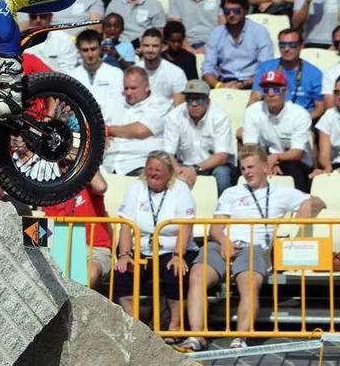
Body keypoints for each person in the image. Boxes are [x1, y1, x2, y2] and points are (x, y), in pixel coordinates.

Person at [177, 145, 325, 351]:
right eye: (243, 168)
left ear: (265, 167)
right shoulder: (231, 192)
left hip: (255, 247)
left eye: (251, 167)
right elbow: (216, 226)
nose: (246, 172)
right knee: (197, 276)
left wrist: (309, 203)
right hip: (223, 243)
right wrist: (224, 242)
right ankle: (196, 336)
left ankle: (240, 337)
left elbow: (320, 201)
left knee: (248, 283)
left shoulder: (283, 192)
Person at [114, 151, 197, 329]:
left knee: (175, 273)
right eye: (149, 169)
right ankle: (136, 327)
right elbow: (126, 224)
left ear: (169, 172)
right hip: (142, 248)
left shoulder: (180, 189)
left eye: (158, 169)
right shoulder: (136, 188)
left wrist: (178, 255)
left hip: (172, 248)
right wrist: (124, 254)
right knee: (122, 275)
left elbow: (186, 226)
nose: (153, 173)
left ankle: (175, 325)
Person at [242, 70, 314, 191]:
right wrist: (267, 162)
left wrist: (275, 158)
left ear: (284, 91)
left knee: (292, 168)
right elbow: (250, 147)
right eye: (266, 90)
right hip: (264, 158)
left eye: (276, 89)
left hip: (295, 161)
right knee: (246, 167)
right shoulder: (252, 112)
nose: (271, 94)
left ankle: (301, 203)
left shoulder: (300, 114)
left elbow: (297, 153)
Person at [164, 79, 236, 194]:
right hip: (184, 165)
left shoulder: (220, 116)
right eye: (190, 99)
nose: (194, 104)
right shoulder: (174, 116)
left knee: (222, 173)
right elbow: (168, 152)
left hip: (214, 166)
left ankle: (224, 208)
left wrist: (195, 169)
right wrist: (177, 170)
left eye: (198, 99)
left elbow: (221, 156)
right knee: (165, 171)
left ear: (208, 100)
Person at [43, 173, 112, 288]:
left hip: (95, 250)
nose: (65, 165)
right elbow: (48, 231)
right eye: (61, 162)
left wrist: (83, 161)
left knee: (90, 273)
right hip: (65, 250)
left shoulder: (87, 183)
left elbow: (101, 187)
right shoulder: (52, 193)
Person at [102, 67, 172, 175]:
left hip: (139, 165)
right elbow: (96, 126)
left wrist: (108, 130)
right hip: (107, 166)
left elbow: (140, 130)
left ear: (147, 87)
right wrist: (101, 135)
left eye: (133, 88)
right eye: (126, 88)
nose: (129, 92)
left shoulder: (160, 104)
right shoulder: (113, 103)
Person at [202, 0, 273, 89]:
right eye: (227, 11)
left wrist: (242, 84)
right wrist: (219, 86)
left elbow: (266, 67)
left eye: (236, 11)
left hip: (253, 83)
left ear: (245, 10)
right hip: (224, 84)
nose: (231, 15)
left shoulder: (259, 32)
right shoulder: (216, 33)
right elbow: (207, 68)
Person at [250, 28, 324, 118]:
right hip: (270, 119)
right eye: (282, 45)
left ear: (301, 46)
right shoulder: (266, 68)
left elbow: (319, 108)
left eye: (292, 45)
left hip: (301, 120)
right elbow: (255, 99)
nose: (286, 49)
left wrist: (303, 121)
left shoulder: (314, 73)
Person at [69, 30, 125, 110]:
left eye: (93, 49)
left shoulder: (116, 73)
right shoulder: (72, 76)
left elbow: (117, 103)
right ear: (79, 50)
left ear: (100, 48)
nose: (90, 54)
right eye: (85, 50)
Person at [137, 28, 186, 102]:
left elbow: (179, 106)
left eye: (155, 46)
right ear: (141, 46)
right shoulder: (134, 71)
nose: (150, 50)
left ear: (162, 47)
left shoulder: (176, 73)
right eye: (146, 46)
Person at [314, 76, 340, 174]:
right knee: (315, 178)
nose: (339, 96)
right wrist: (328, 168)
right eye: (336, 93)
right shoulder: (329, 115)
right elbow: (324, 155)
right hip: (336, 165)